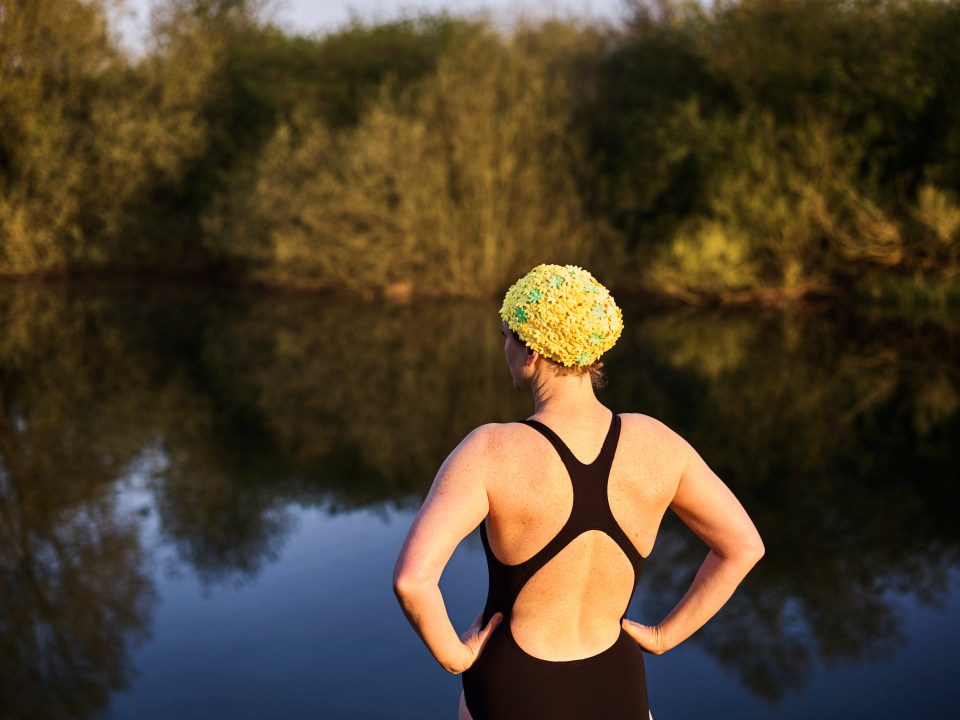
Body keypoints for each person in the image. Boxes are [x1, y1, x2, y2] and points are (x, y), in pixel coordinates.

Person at [393, 264, 764, 719]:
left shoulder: (490, 450)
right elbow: (743, 547)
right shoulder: (658, 443)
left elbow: (413, 581)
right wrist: (666, 636)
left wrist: (455, 656)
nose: (504, 349)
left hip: (512, 685)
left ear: (531, 352)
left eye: (507, 336)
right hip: (618, 682)